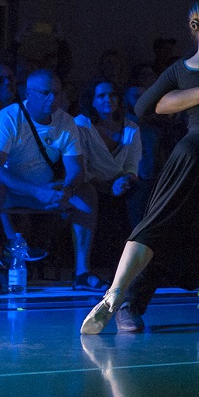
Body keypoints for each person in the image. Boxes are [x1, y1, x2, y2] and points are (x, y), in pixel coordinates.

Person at [80, 0, 199, 334]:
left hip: (187, 155)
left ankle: (113, 294)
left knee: (155, 226)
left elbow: (143, 106)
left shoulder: (180, 68)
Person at [0, 70, 100, 296]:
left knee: (86, 192)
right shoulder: (7, 118)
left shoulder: (66, 122)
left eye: (57, 93)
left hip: (40, 190)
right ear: (29, 93)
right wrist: (36, 192)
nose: (53, 99)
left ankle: (82, 273)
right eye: (46, 93)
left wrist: (67, 190)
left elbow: (76, 169)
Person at [74, 79, 142, 270]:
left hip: (122, 184)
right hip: (91, 184)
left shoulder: (131, 128)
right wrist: (106, 187)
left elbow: (132, 165)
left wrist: (126, 180)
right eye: (101, 96)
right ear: (92, 101)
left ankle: (139, 262)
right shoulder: (81, 126)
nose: (108, 99)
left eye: (112, 95)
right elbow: (81, 167)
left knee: (143, 195)